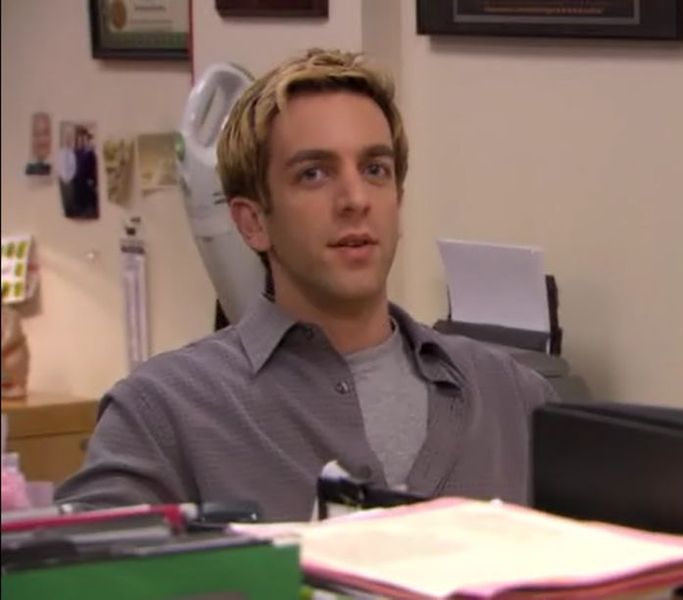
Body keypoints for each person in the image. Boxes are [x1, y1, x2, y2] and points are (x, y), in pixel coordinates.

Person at [55, 49, 557, 521]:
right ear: (252, 222)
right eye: (314, 174)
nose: (355, 198)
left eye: (375, 170)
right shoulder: (166, 411)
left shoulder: (512, 396)